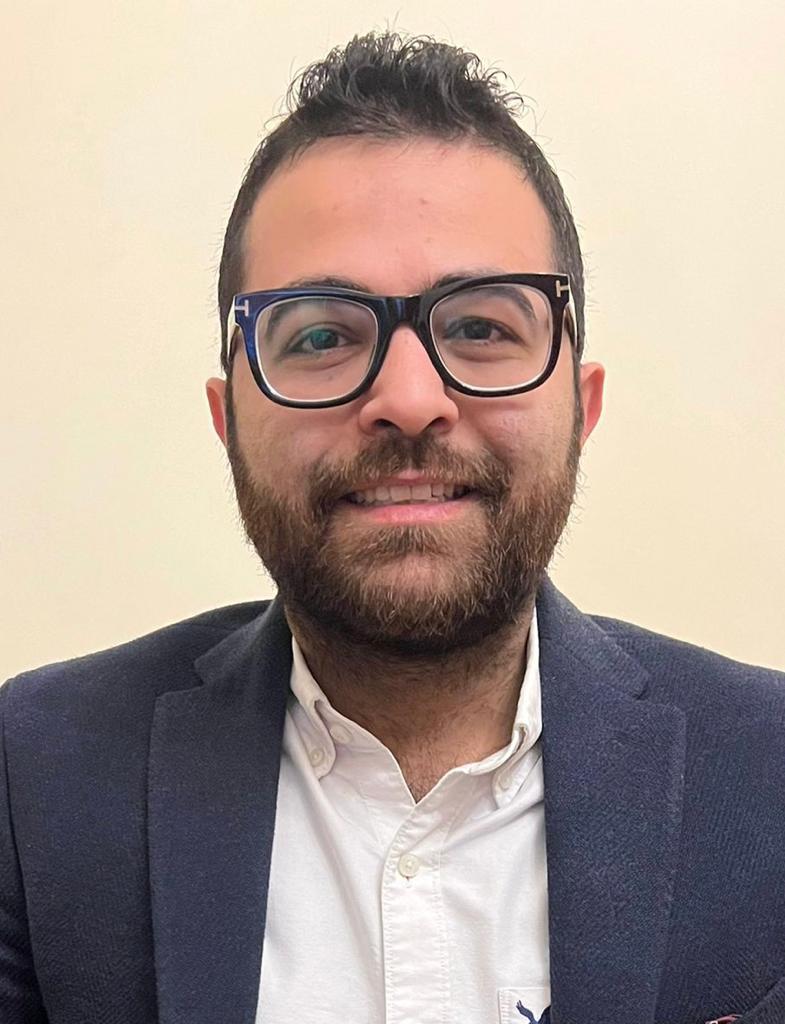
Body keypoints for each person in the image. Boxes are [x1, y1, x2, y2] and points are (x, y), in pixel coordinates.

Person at [1, 31, 783, 1024]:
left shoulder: (769, 775)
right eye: (322, 334)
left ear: (579, 406)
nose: (409, 400)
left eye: (481, 327)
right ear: (227, 418)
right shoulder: (34, 778)